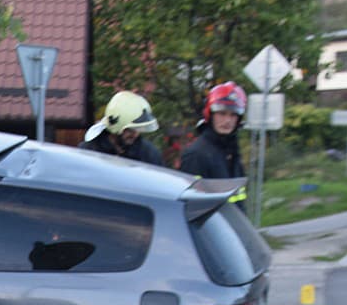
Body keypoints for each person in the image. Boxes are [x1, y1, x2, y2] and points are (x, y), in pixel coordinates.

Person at [177, 81, 249, 211]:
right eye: (222, 113)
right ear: (210, 114)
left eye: (233, 115)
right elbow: (191, 207)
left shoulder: (232, 152)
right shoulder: (196, 155)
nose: (227, 120)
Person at [80, 91, 163, 165]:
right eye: (130, 130)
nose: (135, 134)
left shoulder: (149, 155)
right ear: (115, 126)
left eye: (138, 129)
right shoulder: (89, 152)